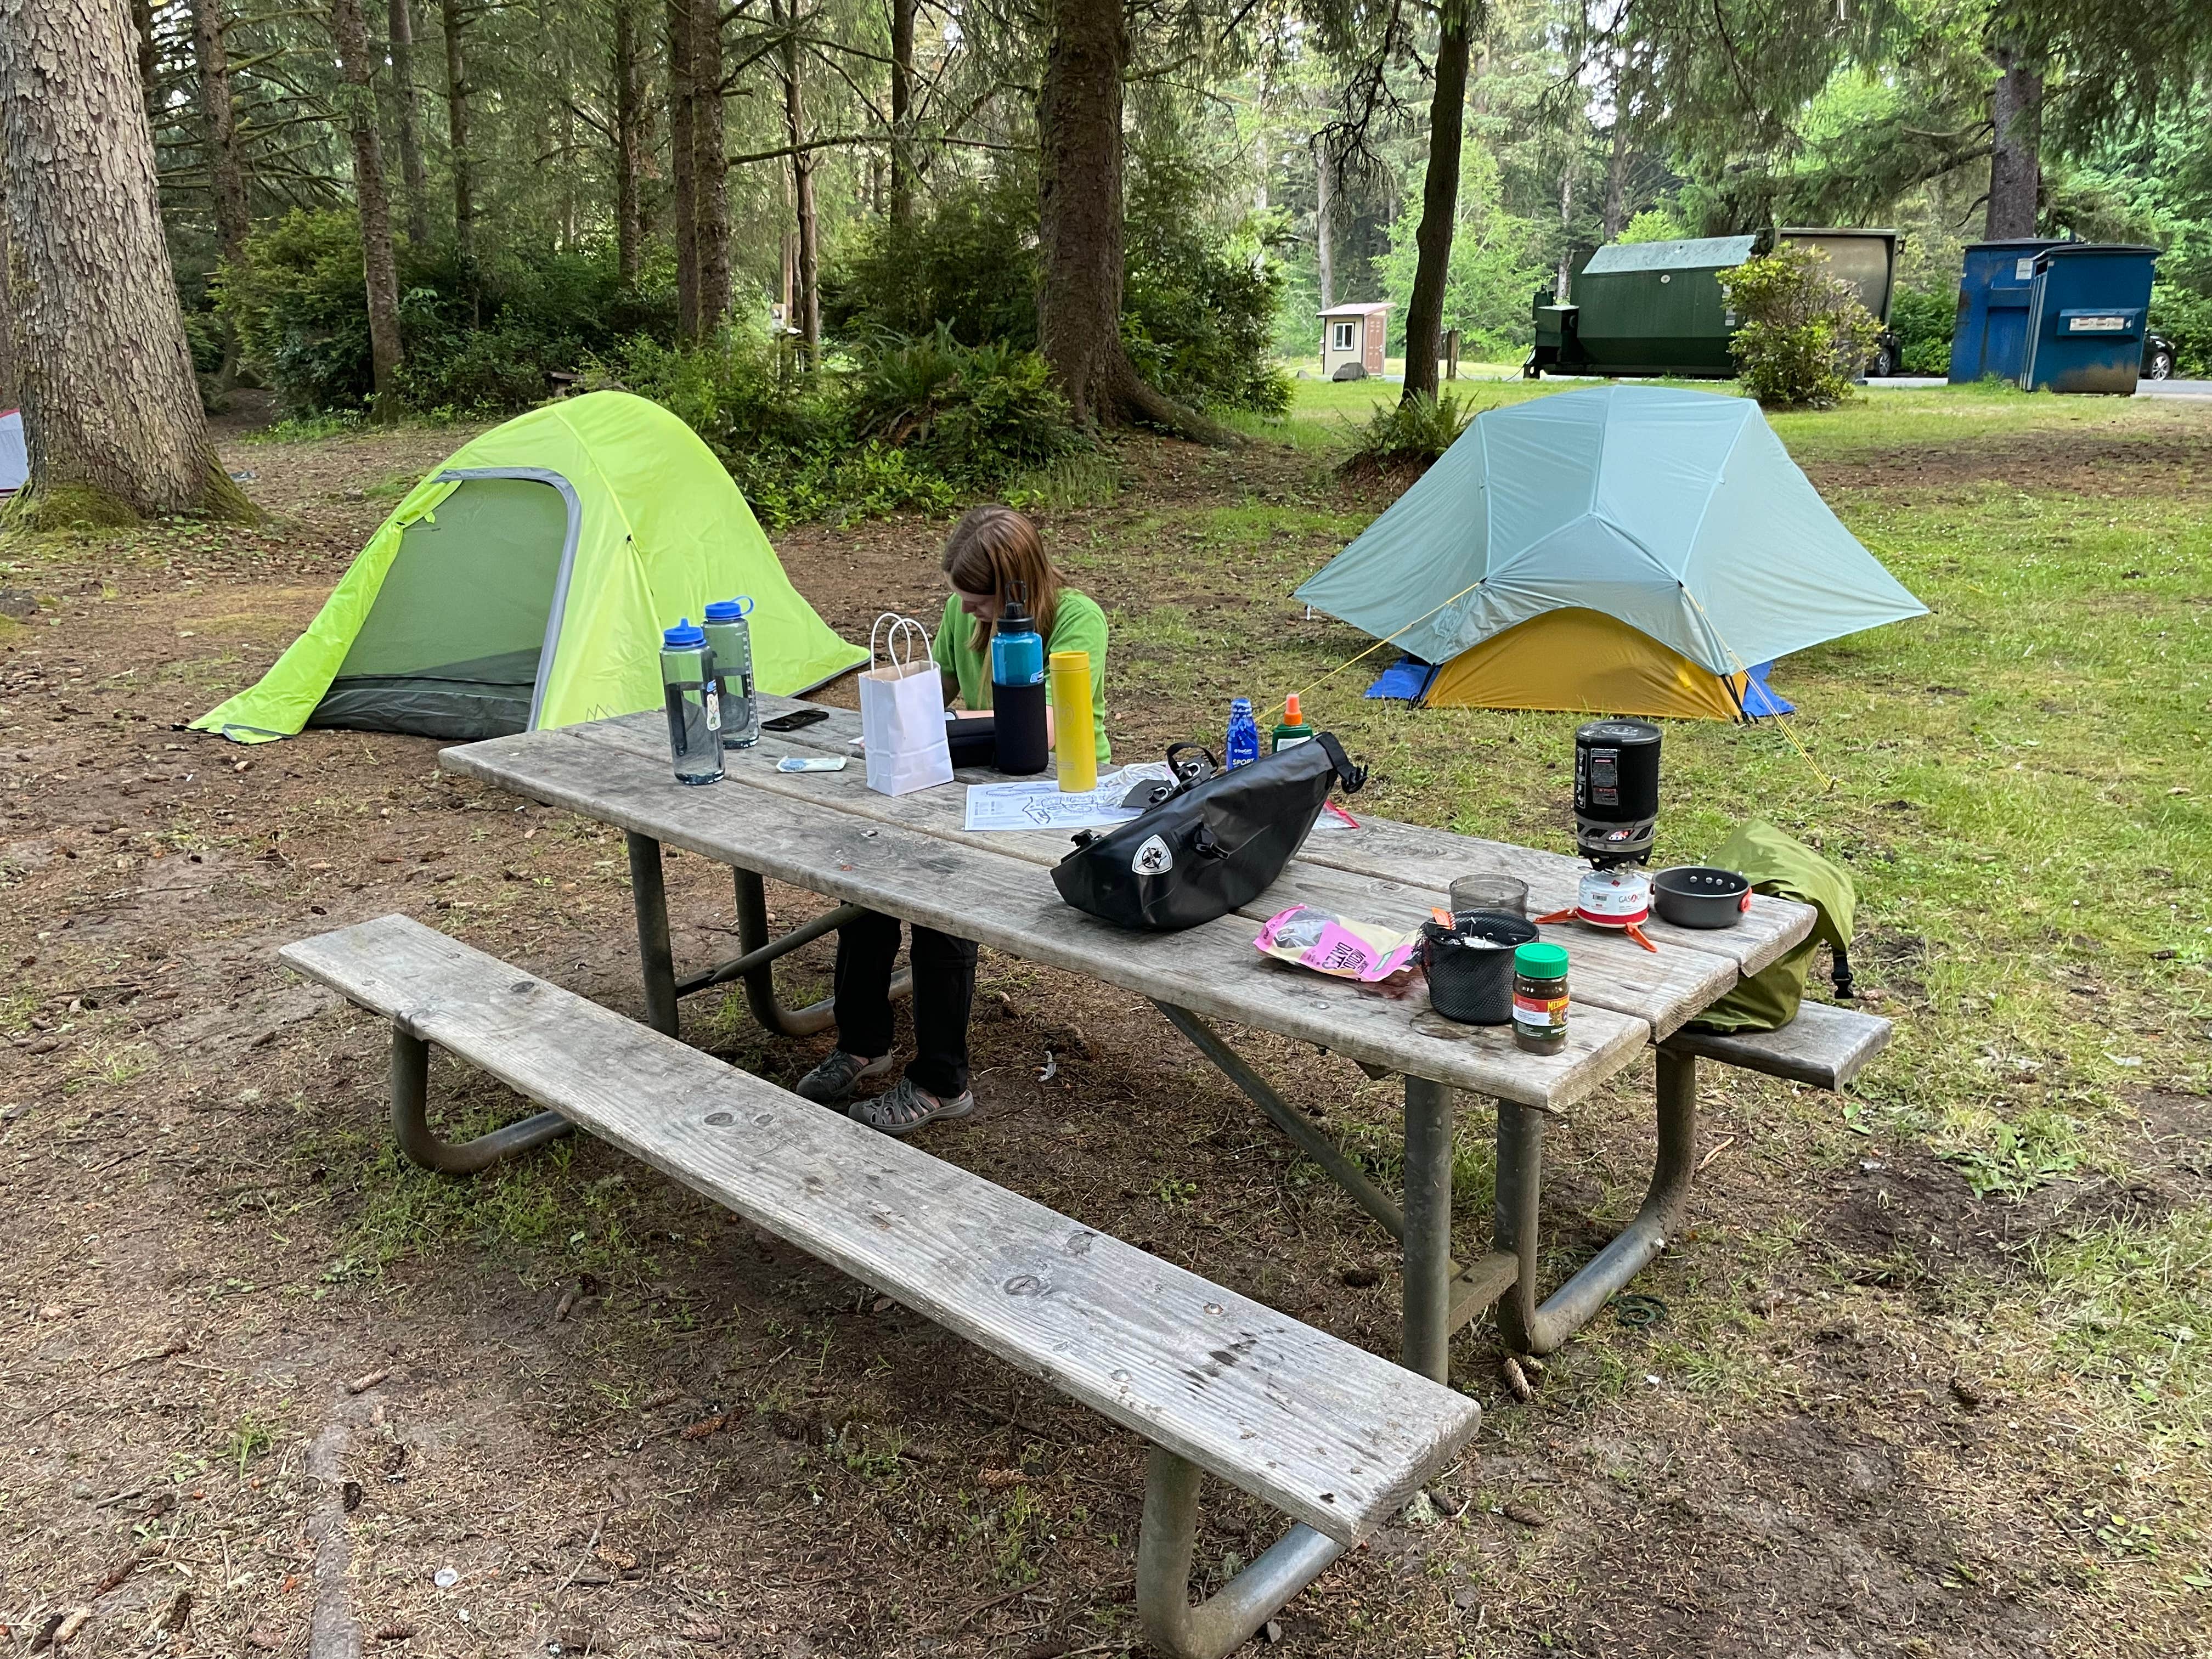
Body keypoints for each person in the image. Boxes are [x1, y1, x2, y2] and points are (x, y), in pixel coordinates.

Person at [797, 505, 1110, 1135]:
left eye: (980, 601)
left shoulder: (1077, 620)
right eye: (961, 600)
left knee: (943, 902)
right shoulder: (959, 615)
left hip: (1059, 795)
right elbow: (926, 700)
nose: (967, 614)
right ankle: (863, 1043)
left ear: (1017, 586)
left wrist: (944, 728)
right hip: (972, 782)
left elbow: (1046, 730)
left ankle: (942, 1081)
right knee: (871, 875)